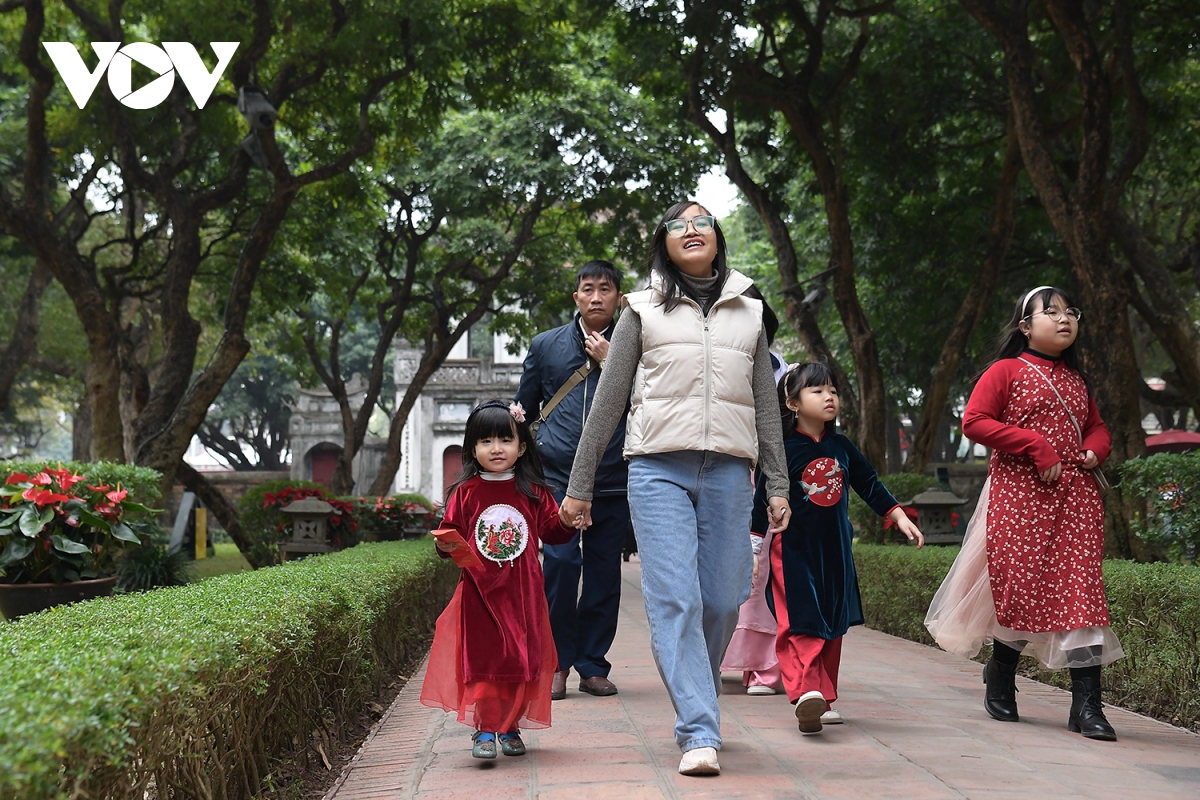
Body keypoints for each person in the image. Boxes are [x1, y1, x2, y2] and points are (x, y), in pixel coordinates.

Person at [560, 201, 792, 777]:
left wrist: (779, 483)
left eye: (702, 222)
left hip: (731, 472)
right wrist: (580, 483)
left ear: (717, 238)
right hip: (658, 467)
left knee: (720, 597)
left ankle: (699, 688)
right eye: (678, 225)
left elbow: (767, 403)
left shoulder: (750, 309)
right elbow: (609, 401)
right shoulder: (641, 309)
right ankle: (698, 728)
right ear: (663, 243)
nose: (691, 230)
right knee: (676, 600)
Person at [925, 286, 1122, 741]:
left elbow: (1097, 427)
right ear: (1025, 326)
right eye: (1050, 312)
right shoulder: (1005, 370)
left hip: (1076, 499)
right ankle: (1000, 672)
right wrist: (1035, 446)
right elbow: (974, 420)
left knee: (1082, 592)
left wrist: (1094, 449)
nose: (1064, 318)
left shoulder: (1078, 380)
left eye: (1070, 311)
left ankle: (1088, 707)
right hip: (1019, 498)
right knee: (1022, 588)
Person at [758, 361, 924, 734]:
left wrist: (898, 516)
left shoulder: (842, 446)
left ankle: (821, 699)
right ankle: (805, 691)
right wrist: (755, 544)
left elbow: (869, 483)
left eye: (832, 390)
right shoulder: (782, 450)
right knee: (802, 624)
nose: (829, 396)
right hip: (793, 551)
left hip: (836, 552)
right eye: (817, 391)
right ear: (793, 403)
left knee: (833, 625)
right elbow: (761, 497)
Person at [419, 401, 580, 759]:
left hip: (523, 594)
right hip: (478, 594)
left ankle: (510, 725)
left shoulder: (534, 491)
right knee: (484, 662)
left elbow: (552, 532)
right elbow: (452, 534)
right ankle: (485, 729)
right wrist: (445, 543)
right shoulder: (465, 492)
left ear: (521, 447)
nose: (496, 448)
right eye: (486, 441)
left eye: (505, 440)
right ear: (472, 449)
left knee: (519, 661)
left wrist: (568, 520)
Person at [515, 260, 630, 701]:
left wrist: (612, 361)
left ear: (619, 298)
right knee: (561, 567)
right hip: (558, 477)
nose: (596, 296)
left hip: (614, 475)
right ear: (576, 297)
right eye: (588, 288)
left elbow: (651, 399)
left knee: (604, 573)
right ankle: (557, 662)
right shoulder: (545, 346)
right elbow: (523, 410)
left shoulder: (635, 345)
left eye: (605, 289)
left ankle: (593, 664)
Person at [720, 292, 788, 696]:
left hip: (768, 487)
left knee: (763, 576)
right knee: (722, 572)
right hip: (724, 481)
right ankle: (716, 658)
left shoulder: (786, 376)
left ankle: (764, 666)